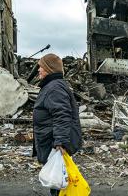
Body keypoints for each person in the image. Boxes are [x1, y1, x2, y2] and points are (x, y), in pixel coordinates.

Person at [33, 53, 82, 196]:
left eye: (40, 67)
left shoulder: (54, 88)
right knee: (57, 179)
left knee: (58, 179)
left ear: (49, 69)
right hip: (52, 141)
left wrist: (60, 142)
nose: (38, 70)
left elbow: (62, 115)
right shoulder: (52, 86)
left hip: (54, 143)